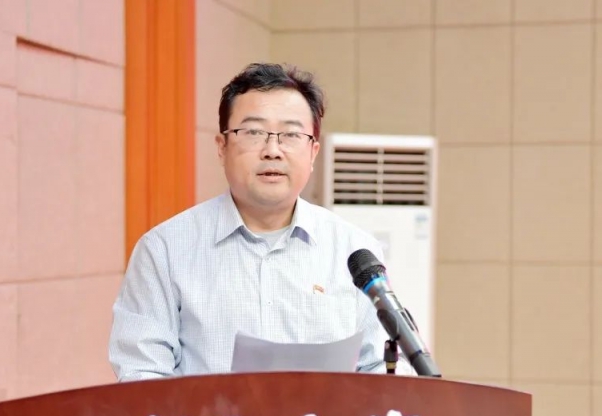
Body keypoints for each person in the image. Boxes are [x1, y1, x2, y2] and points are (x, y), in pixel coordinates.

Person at [108, 62, 414, 381]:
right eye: (253, 132)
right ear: (222, 147)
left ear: (313, 152)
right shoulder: (165, 250)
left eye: (291, 135)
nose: (272, 151)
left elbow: (384, 366)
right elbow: (142, 374)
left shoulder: (354, 250)